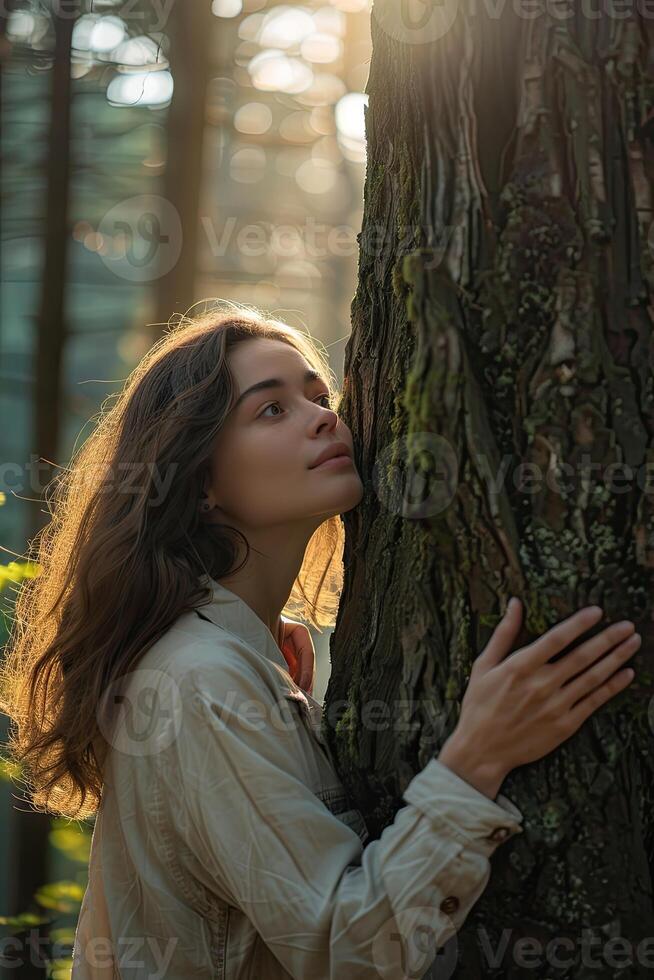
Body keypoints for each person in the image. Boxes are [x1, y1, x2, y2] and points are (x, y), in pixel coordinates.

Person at [0, 302, 640, 979]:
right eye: (271, 410)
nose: (324, 417)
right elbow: (346, 949)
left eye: (316, 394)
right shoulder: (199, 680)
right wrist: (477, 761)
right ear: (202, 479)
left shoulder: (241, 661)